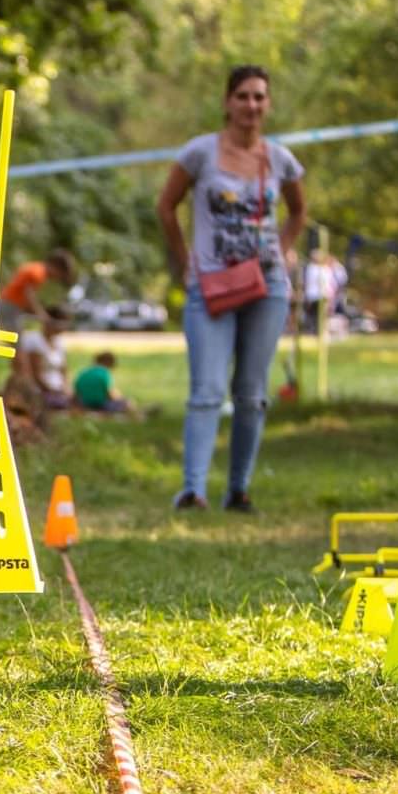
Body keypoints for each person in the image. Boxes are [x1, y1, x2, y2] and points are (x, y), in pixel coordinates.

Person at [157, 65, 308, 512]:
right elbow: (166, 208)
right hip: (210, 287)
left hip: (267, 288)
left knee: (251, 393)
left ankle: (238, 490)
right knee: (206, 390)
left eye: (260, 97)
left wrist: (280, 250)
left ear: (269, 104)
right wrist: (186, 264)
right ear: (227, 103)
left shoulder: (280, 160)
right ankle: (193, 489)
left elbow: (298, 211)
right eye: (242, 96)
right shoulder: (199, 154)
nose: (251, 105)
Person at [0, 248, 76, 334]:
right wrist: (43, 316)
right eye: (60, 274)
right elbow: (29, 296)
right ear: (56, 266)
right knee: (16, 339)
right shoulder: (38, 273)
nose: (57, 278)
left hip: (11, 305)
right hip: (9, 306)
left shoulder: (37, 268)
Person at [12, 303, 72, 410]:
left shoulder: (59, 343)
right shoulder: (33, 340)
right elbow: (35, 373)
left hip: (58, 389)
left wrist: (65, 388)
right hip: (41, 390)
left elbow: (64, 369)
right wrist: (51, 390)